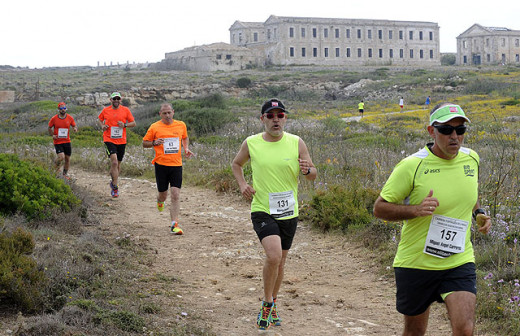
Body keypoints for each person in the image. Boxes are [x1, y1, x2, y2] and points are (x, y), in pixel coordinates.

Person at [373, 102, 492, 336]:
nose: (454, 136)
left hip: (458, 260)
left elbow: (469, 192)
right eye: (446, 130)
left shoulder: (472, 159)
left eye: (460, 130)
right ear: (431, 131)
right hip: (416, 262)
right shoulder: (411, 166)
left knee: (465, 329)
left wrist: (478, 213)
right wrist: (415, 210)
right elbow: (379, 208)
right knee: (415, 332)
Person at [231, 98, 317, 330]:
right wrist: (242, 185)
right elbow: (236, 164)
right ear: (263, 119)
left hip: (289, 211)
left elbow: (312, 173)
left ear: (285, 118)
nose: (276, 120)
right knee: (273, 256)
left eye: (280, 115)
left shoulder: (297, 142)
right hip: (262, 209)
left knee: (281, 262)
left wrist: (309, 170)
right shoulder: (252, 143)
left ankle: (274, 300)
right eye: (270, 116)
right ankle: (267, 303)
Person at [142, 103, 193, 235]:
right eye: (164, 113)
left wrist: (186, 148)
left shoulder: (181, 125)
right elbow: (144, 143)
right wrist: (154, 143)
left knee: (175, 194)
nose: (167, 115)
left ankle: (174, 224)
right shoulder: (155, 127)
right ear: (160, 114)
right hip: (161, 165)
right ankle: (160, 201)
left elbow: (185, 137)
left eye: (169, 112)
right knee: (163, 195)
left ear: (173, 112)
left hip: (176, 165)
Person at [98, 92, 136, 198]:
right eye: (114, 99)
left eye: (117, 98)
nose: (116, 100)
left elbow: (133, 123)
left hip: (121, 141)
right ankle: (115, 188)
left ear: (120, 100)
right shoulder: (106, 110)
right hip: (108, 139)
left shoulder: (126, 110)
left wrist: (124, 125)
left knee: (117, 165)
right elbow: (100, 119)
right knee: (114, 162)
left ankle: (113, 181)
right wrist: (102, 126)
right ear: (110, 100)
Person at [48, 102, 78, 179]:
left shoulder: (70, 118)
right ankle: (55, 169)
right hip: (58, 141)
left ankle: (65, 174)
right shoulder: (54, 118)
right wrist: (52, 135)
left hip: (67, 141)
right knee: (61, 157)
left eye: (64, 108)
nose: (63, 109)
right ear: (58, 109)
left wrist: (75, 129)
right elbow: (49, 128)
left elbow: (74, 125)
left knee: (67, 159)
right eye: (61, 108)